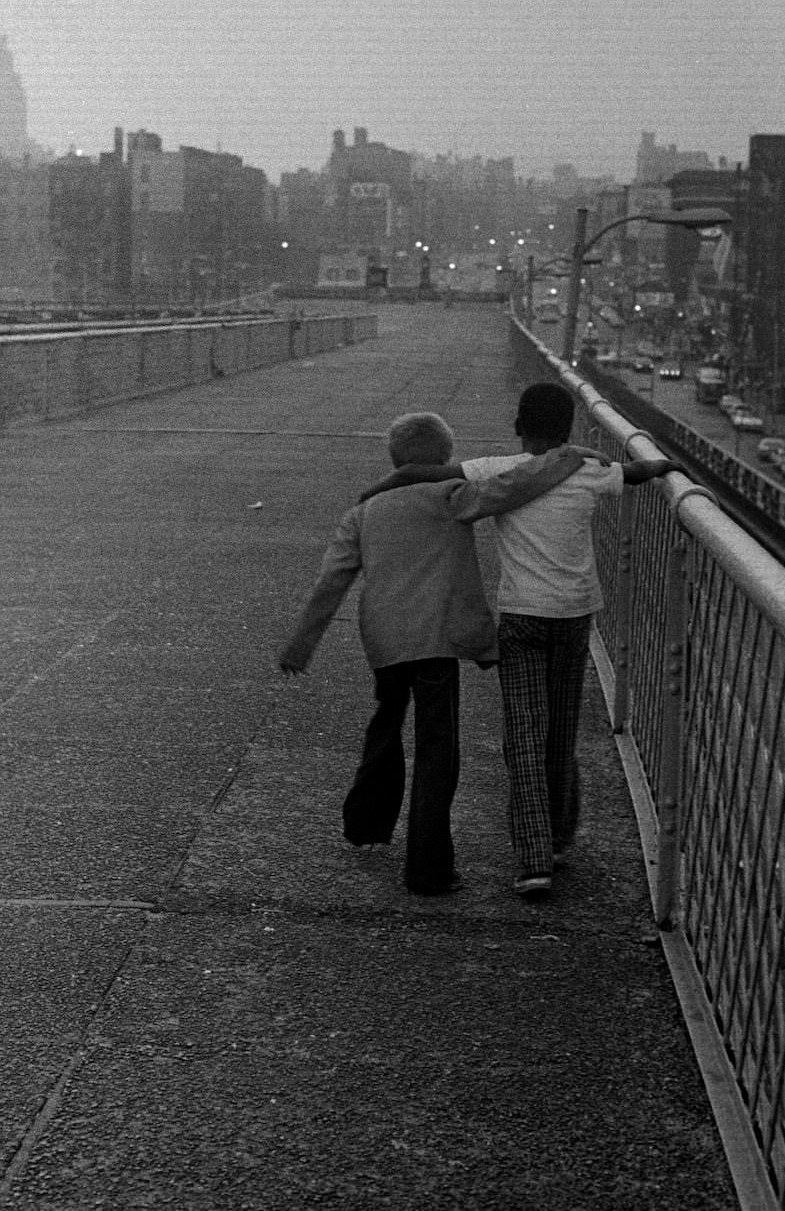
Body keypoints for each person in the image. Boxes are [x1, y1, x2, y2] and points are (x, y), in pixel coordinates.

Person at [363, 382, 684, 897]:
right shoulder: (589, 469)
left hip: (522, 616)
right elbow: (640, 472)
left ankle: (534, 861)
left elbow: (425, 474)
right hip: (576, 614)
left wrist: (379, 489)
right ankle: (558, 836)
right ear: (570, 428)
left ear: (519, 426)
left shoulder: (497, 470)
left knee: (524, 738)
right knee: (561, 731)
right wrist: (669, 467)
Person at [277, 411, 588, 897]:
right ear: (444, 459)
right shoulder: (450, 497)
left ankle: (365, 822)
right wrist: (564, 457)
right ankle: (428, 868)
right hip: (437, 640)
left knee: (386, 721)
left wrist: (301, 644)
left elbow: (331, 581)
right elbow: (514, 485)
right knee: (436, 750)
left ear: (394, 459)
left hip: (385, 641)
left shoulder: (362, 512)